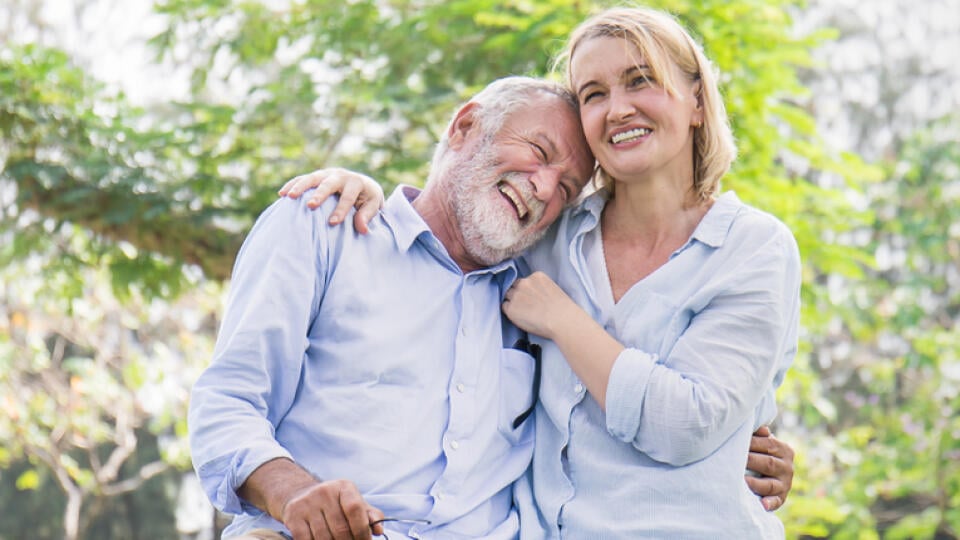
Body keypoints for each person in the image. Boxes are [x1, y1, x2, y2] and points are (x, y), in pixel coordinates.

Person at [280, 5, 801, 538]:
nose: (617, 108)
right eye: (595, 94)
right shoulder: (548, 235)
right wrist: (365, 190)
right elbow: (452, 228)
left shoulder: (752, 249)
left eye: (640, 81)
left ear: (696, 100)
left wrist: (562, 320)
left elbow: (686, 424)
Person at [188, 76, 595, 540]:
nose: (544, 188)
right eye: (539, 153)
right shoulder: (325, 225)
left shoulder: (547, 297)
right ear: (464, 126)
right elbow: (227, 401)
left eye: (566, 188)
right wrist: (292, 493)